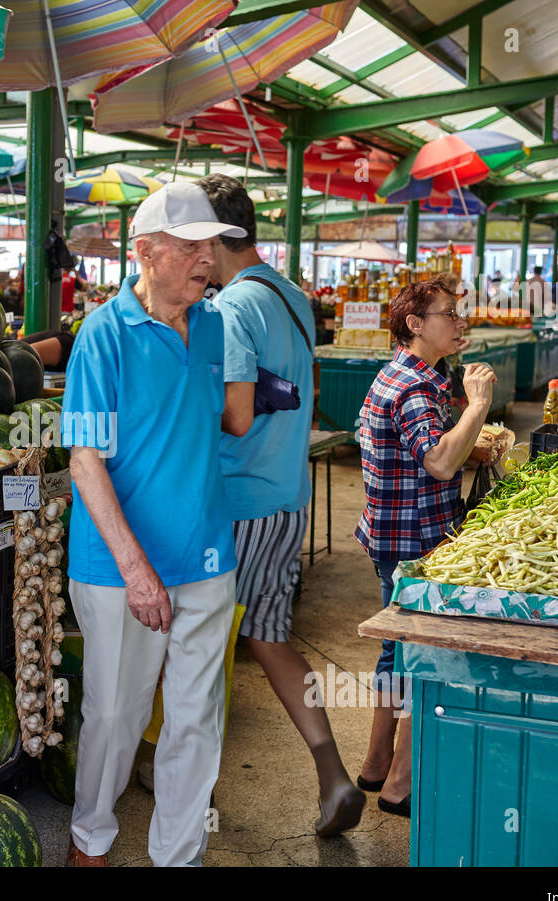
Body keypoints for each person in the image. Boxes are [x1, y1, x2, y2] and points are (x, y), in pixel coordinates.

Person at [63, 181, 244, 867]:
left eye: (213, 245)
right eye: (192, 244)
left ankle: (180, 853)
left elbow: (210, 426)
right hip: (119, 570)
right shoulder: (102, 338)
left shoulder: (217, 325)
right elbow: (85, 463)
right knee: (116, 716)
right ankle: (91, 838)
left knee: (197, 720)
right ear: (145, 251)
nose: (208, 257)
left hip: (205, 558)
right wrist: (138, 570)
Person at [197, 173, 364, 837]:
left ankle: (192, 786)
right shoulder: (288, 291)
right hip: (287, 494)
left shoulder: (235, 305)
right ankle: (332, 774)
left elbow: (236, 415)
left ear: (214, 240)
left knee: (204, 645)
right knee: (267, 636)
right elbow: (305, 386)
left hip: (240, 500)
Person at [354, 276, 497, 818]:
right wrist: (478, 405)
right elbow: (438, 461)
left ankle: (373, 765)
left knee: (396, 648)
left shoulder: (409, 373)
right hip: (415, 539)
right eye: (448, 314)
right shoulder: (414, 385)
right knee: (427, 653)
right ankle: (399, 785)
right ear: (416, 325)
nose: (459, 322)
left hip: (391, 531)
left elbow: (426, 452)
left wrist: (472, 449)